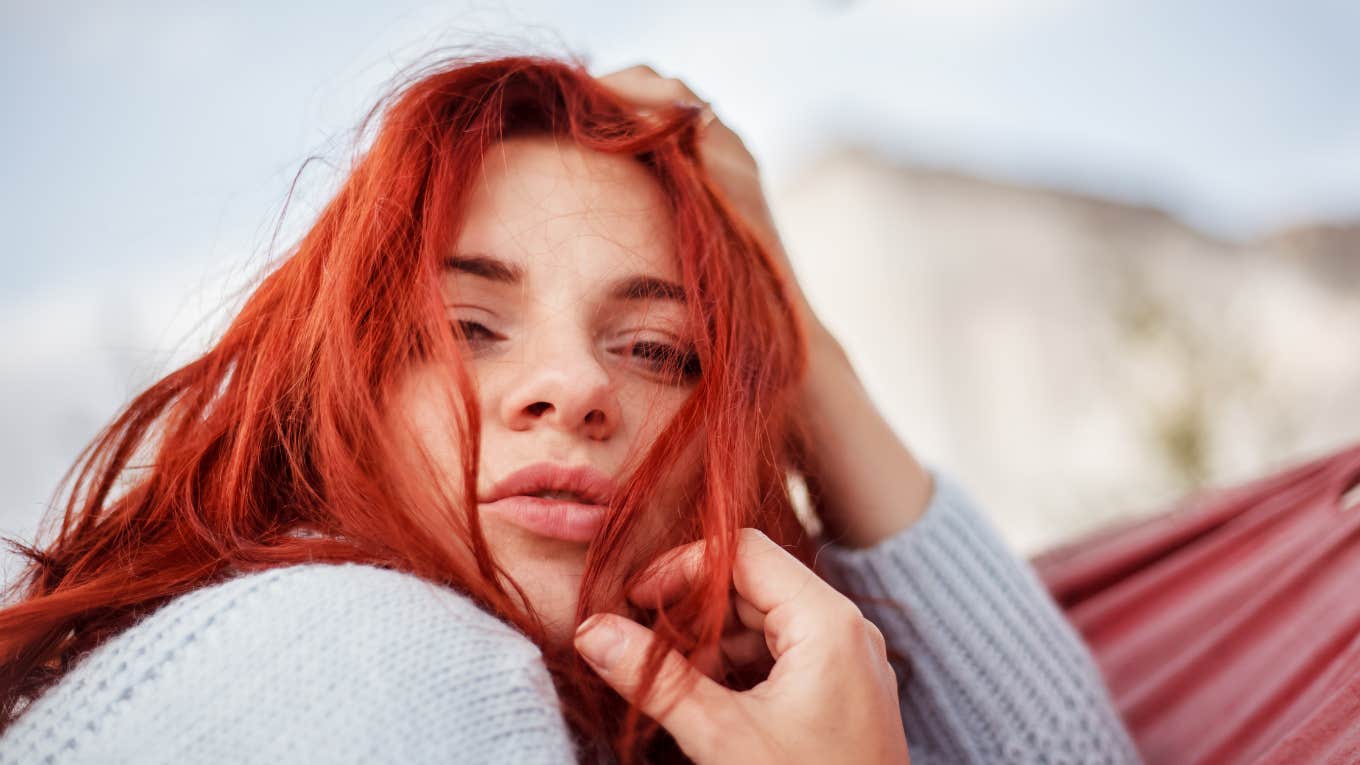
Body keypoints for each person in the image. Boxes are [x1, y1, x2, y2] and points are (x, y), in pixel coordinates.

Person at [0, 55, 1141, 764]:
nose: (578, 388)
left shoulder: (638, 719)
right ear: (334, 396)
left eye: (658, 349)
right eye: (466, 329)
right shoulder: (373, 656)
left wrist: (801, 348)